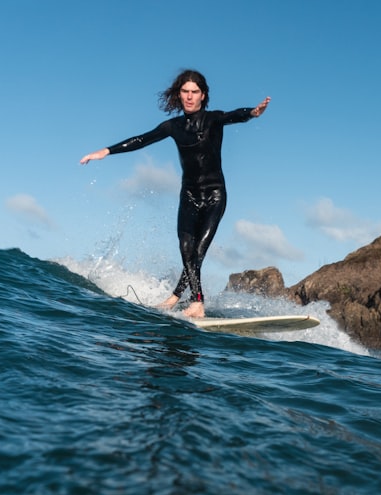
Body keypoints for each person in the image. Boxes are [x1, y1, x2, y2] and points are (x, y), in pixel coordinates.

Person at [81, 69, 270, 318]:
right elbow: (142, 139)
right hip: (189, 196)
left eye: (194, 92)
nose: (189, 97)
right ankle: (179, 298)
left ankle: (194, 301)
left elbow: (235, 115)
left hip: (215, 196)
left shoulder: (214, 119)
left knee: (197, 253)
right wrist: (106, 151)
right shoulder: (173, 126)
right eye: (185, 92)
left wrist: (252, 113)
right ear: (179, 95)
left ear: (203, 95)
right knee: (186, 248)